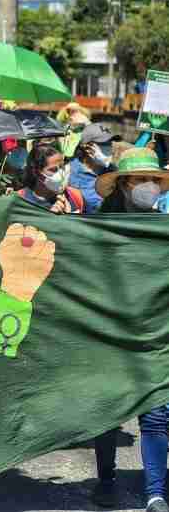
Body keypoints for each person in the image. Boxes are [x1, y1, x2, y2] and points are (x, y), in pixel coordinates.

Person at [93, 148, 169, 512]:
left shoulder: (163, 226)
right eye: (142, 180)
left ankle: (156, 492)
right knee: (108, 412)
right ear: (123, 184)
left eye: (154, 180)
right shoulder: (98, 227)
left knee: (156, 414)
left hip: (154, 333)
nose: (150, 186)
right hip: (108, 333)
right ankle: (105, 478)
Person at [17, 144, 85, 214]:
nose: (61, 174)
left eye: (62, 167)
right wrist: (50, 218)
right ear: (36, 173)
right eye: (53, 170)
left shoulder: (75, 196)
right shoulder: (20, 200)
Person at [69, 123, 120, 213]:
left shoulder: (115, 171)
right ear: (87, 147)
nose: (109, 148)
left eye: (110, 143)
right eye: (104, 144)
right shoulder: (69, 172)